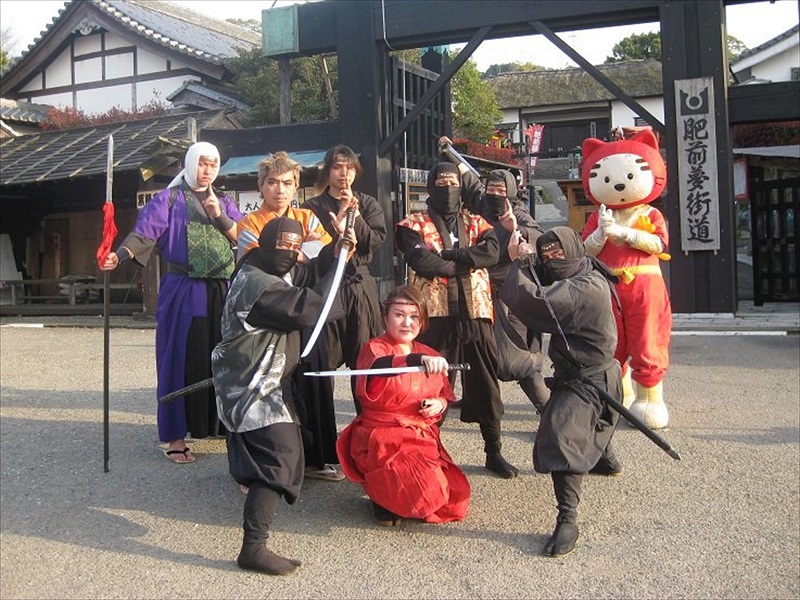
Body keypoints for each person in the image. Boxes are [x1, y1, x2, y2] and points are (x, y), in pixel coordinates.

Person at [212, 217, 356, 575]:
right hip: (253, 389)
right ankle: (253, 548)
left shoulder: (266, 271)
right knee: (282, 456)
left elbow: (310, 279)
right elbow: (310, 306)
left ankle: (254, 537)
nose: (289, 254)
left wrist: (340, 251)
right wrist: (338, 264)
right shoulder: (258, 286)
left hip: (265, 382)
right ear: (264, 243)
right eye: (282, 245)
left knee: (284, 450)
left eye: (296, 247)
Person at [100, 141, 241, 464]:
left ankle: (219, 425)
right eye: (201, 163)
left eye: (212, 164)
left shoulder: (223, 201)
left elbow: (242, 236)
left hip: (223, 288)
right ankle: (176, 436)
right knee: (178, 357)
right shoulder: (168, 200)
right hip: (183, 289)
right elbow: (143, 235)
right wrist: (118, 256)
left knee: (223, 357)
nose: (207, 170)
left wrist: (218, 216)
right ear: (189, 164)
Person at [500, 226, 623, 557]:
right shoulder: (583, 268)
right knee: (595, 426)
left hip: (591, 380)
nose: (551, 260)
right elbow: (540, 275)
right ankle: (606, 460)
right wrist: (527, 256)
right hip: (586, 375)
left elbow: (537, 302)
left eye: (558, 254)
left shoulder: (586, 287)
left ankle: (568, 519)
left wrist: (519, 263)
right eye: (546, 255)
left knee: (562, 435)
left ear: (574, 251)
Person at [395, 162, 519, 479]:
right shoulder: (412, 223)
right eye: (441, 181)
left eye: (453, 182)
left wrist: (447, 257)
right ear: (431, 186)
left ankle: (494, 451)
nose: (448, 188)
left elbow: (491, 253)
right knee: (429, 385)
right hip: (434, 317)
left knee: (486, 383)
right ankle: (425, 450)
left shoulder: (476, 220)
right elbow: (420, 260)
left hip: (476, 313)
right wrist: (463, 258)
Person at [236, 152, 343, 482]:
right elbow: (259, 261)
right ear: (260, 186)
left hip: (305, 310)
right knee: (264, 386)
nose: (279, 190)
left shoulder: (308, 217)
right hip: (268, 314)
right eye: (272, 183)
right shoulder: (249, 224)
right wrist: (301, 255)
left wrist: (322, 249)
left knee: (311, 379)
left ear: (297, 186)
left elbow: (322, 256)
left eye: (286, 183)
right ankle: (255, 469)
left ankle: (314, 459)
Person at [336, 286, 470, 526]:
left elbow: (444, 395)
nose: (407, 323)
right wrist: (415, 360)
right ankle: (381, 497)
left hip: (419, 436)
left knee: (449, 497)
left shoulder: (430, 353)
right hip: (380, 437)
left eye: (414, 316)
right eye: (399, 315)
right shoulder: (374, 349)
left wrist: (437, 405)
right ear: (385, 317)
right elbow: (379, 368)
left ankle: (395, 494)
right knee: (408, 485)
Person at [302, 145, 386, 410]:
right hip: (326, 286)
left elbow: (374, 241)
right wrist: (337, 240)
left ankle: (366, 425)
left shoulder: (368, 203)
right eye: (337, 167)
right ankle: (323, 434)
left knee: (364, 360)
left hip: (360, 287)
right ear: (327, 171)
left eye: (349, 167)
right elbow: (309, 251)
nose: (343, 174)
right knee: (322, 358)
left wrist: (355, 215)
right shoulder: (312, 207)